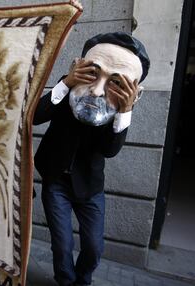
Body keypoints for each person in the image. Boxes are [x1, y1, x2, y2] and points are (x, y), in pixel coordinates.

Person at [33, 32, 150, 286]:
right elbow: (35, 116)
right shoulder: (70, 91)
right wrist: (65, 83)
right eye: (94, 72)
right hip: (56, 182)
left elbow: (109, 149)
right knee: (62, 245)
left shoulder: (115, 109)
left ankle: (82, 281)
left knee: (94, 247)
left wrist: (124, 112)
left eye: (116, 82)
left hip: (90, 187)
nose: (97, 91)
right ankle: (66, 281)